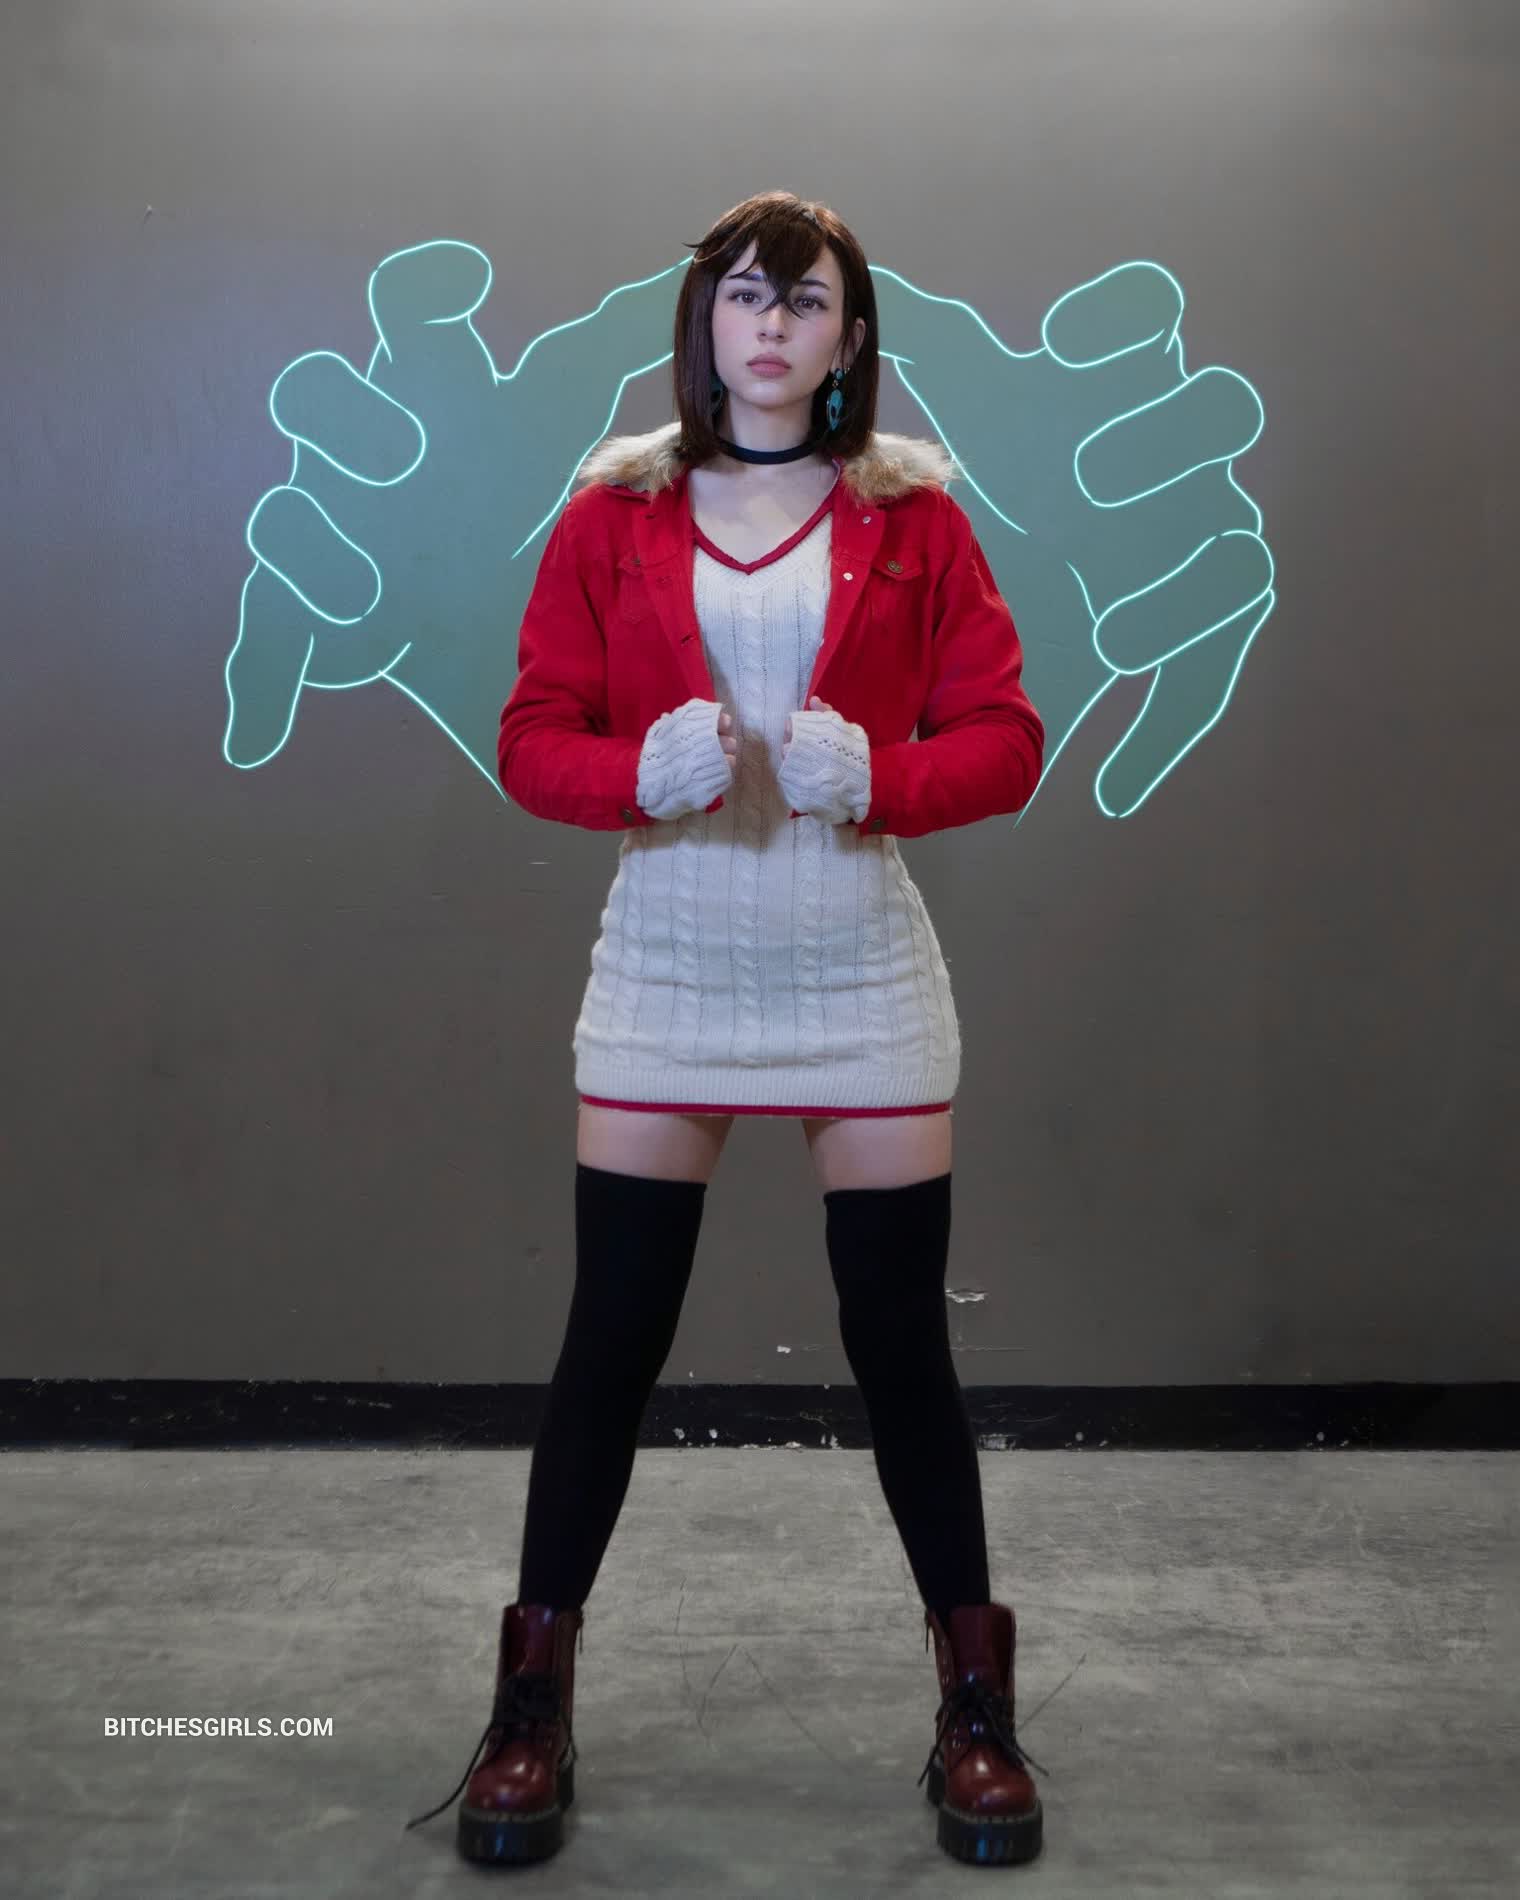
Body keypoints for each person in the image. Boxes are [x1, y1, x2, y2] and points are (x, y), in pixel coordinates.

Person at [407, 193, 1047, 1869]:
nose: (772, 325)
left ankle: (977, 1712)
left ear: (850, 337)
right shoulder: (613, 513)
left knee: (900, 1347)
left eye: (806, 300)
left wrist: (881, 777)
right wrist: (637, 772)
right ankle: (529, 1704)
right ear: (703, 319)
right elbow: (531, 737)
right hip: (670, 967)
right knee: (611, 1338)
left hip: (858, 972)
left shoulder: (917, 520)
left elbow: (1006, 738)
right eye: (746, 295)